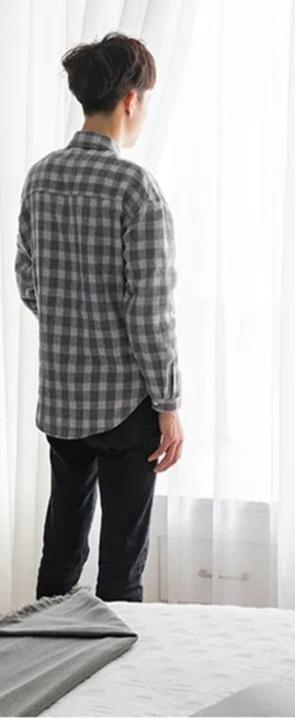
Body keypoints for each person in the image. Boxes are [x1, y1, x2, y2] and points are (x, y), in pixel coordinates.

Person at [14, 32, 184, 602]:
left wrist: (71, 320)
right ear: (131, 100)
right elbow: (151, 312)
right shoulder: (136, 188)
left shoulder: (40, 176)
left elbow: (28, 280)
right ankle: (119, 653)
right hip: (127, 407)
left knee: (61, 548)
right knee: (121, 565)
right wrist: (169, 405)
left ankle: (42, 647)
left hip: (62, 399)